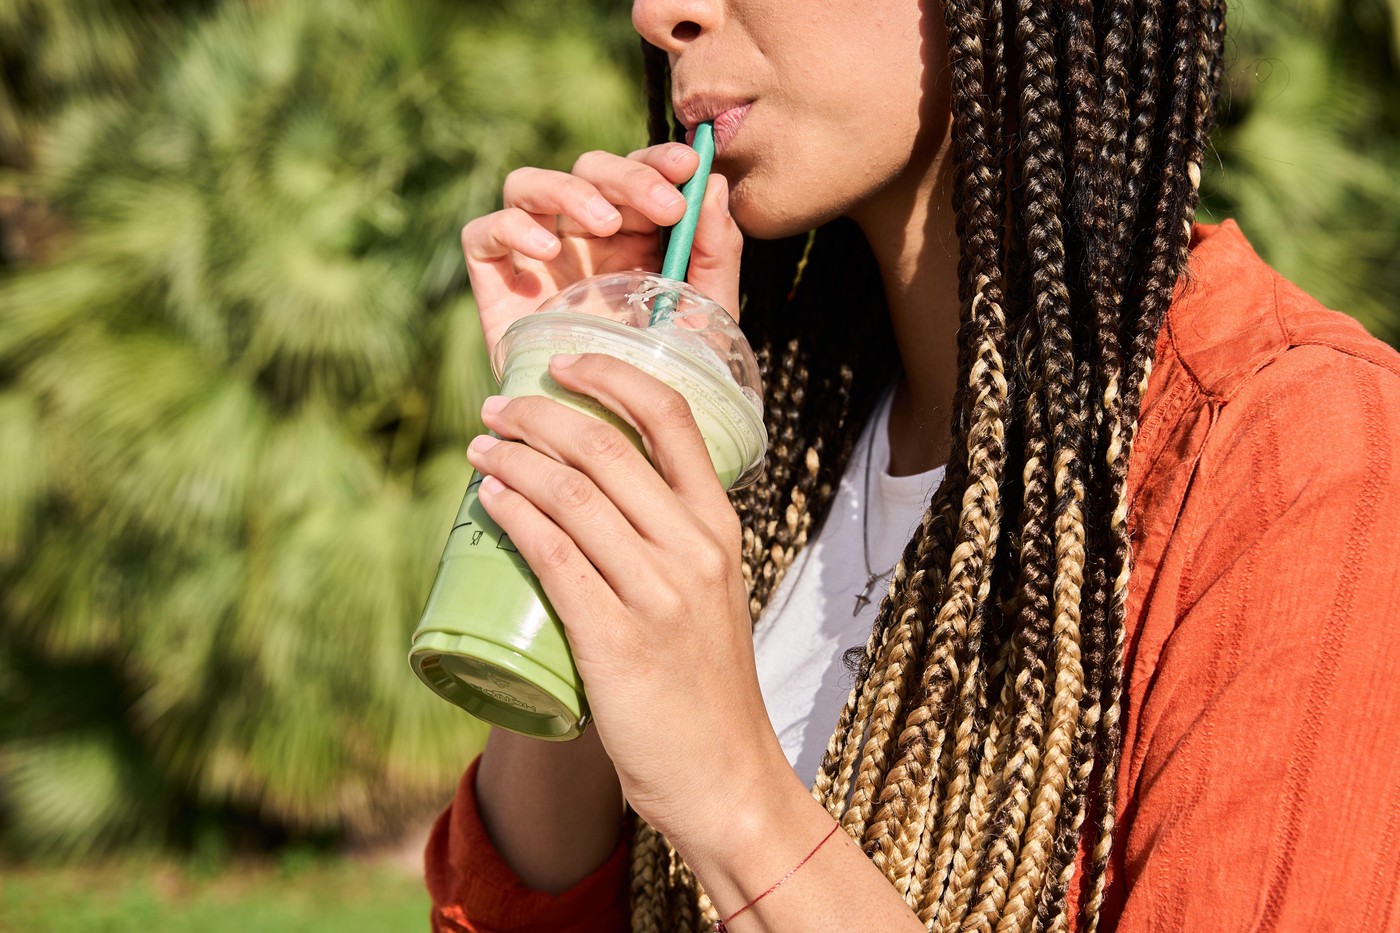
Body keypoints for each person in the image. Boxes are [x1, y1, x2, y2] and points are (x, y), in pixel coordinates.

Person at [425, 0, 1400, 929]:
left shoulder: (1301, 459)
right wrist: (598, 410)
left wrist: (732, 799)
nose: (657, 12)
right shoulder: (786, 416)